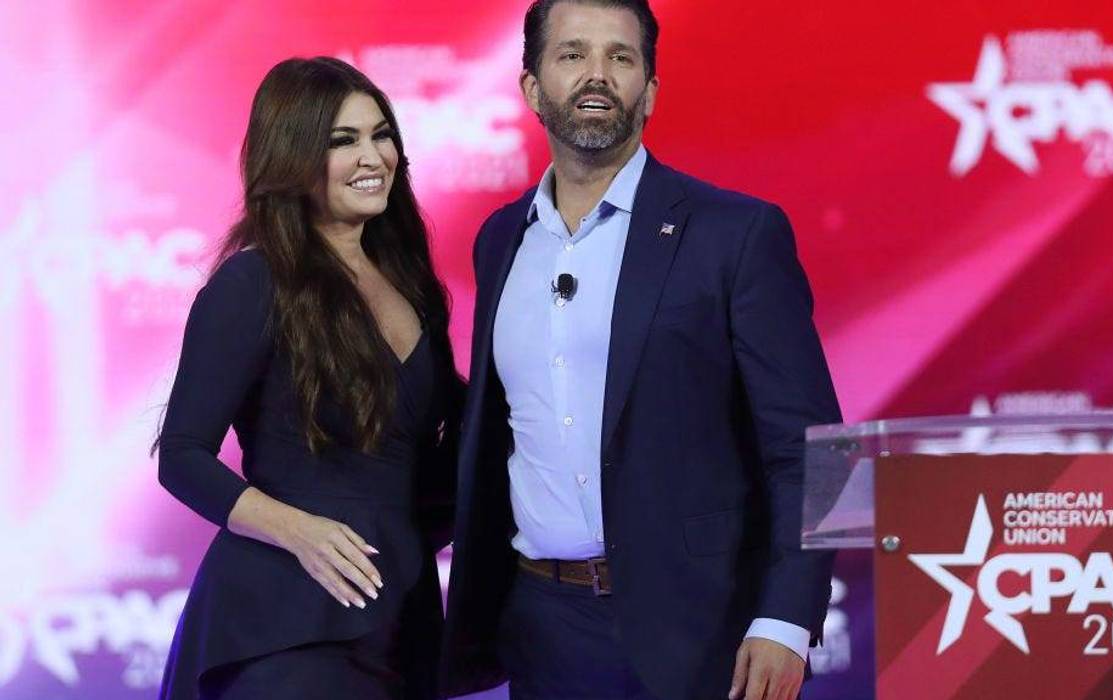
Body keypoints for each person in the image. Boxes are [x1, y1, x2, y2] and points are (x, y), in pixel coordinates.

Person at [440, 1, 841, 699]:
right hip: (541, 628)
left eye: (620, 58)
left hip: (702, 629)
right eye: (571, 55)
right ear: (532, 87)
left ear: (648, 91)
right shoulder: (500, 240)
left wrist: (784, 618)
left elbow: (816, 449)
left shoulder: (734, 234)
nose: (597, 75)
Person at [156, 57, 461, 700]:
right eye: (341, 141)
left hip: (396, 624)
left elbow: (433, 462)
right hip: (285, 626)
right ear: (292, 158)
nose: (373, 155)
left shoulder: (413, 286)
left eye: (381, 134)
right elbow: (182, 457)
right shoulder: (253, 283)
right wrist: (302, 531)